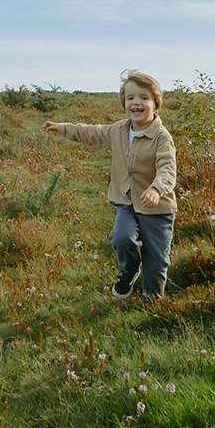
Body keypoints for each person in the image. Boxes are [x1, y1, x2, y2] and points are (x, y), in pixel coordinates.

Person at [42, 71, 177, 302]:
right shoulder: (118, 130)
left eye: (144, 98)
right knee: (122, 238)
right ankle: (130, 269)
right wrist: (61, 127)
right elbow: (90, 132)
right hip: (126, 202)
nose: (136, 102)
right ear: (124, 103)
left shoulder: (161, 137)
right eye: (130, 98)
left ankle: (152, 305)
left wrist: (156, 189)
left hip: (157, 210)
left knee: (156, 262)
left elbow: (167, 168)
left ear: (156, 105)